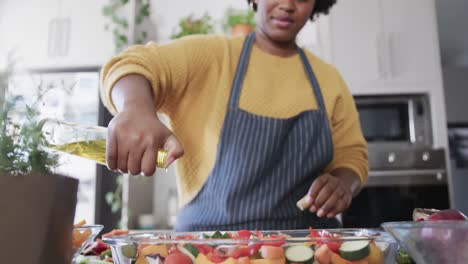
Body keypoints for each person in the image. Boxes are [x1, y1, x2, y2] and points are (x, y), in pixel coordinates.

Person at [100, 0, 368, 231]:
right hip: (208, 245)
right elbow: (132, 65)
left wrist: (343, 183)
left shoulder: (328, 79)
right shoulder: (213, 57)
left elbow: (352, 155)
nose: (287, 4)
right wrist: (135, 108)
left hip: (307, 243)